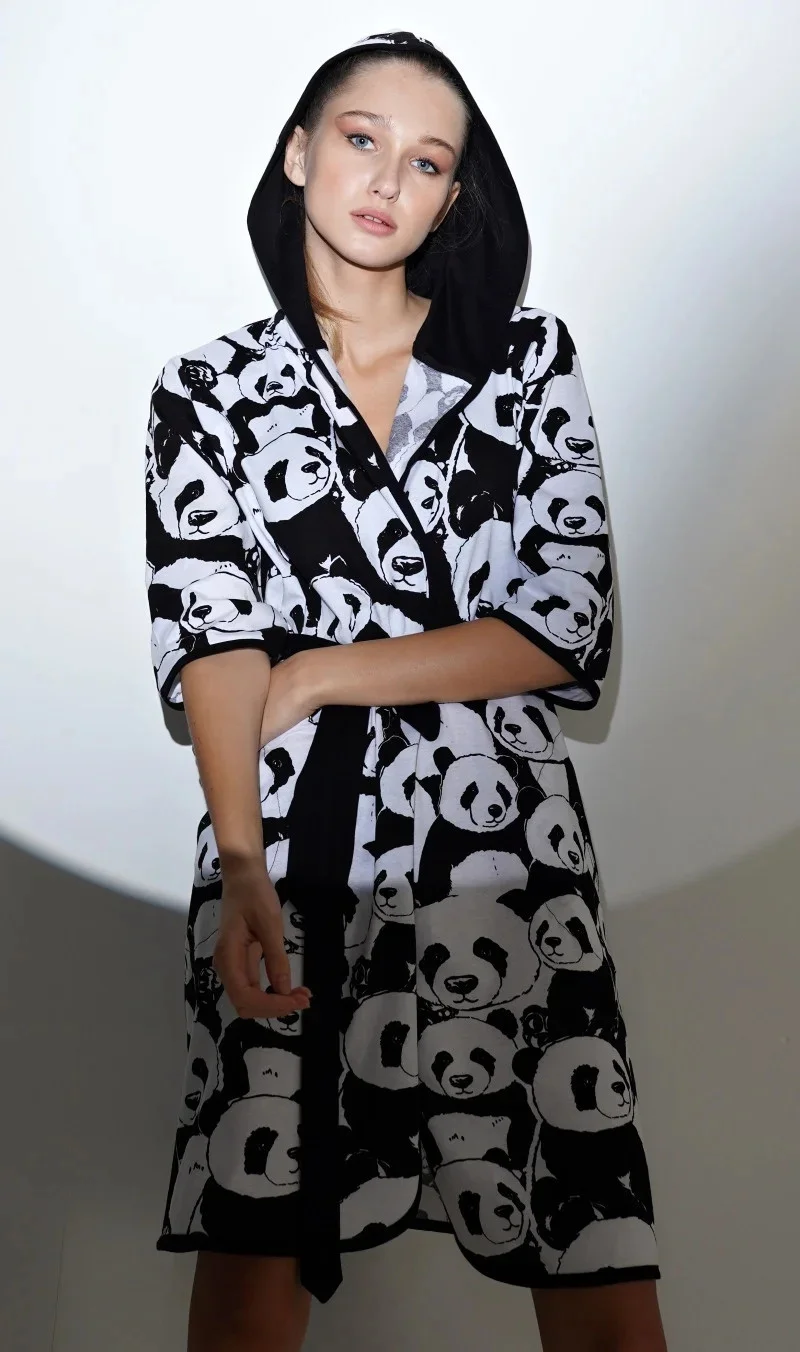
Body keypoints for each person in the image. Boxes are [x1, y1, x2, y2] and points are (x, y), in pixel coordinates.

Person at [144, 27, 669, 1352]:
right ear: (298, 154)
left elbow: (562, 625)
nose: (389, 178)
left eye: (428, 161)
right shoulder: (208, 392)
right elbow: (212, 637)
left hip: (505, 854)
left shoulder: (525, 360)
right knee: (253, 1272)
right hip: (295, 856)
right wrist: (244, 866)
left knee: (594, 1259)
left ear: (451, 198)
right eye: (363, 138)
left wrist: (323, 670)